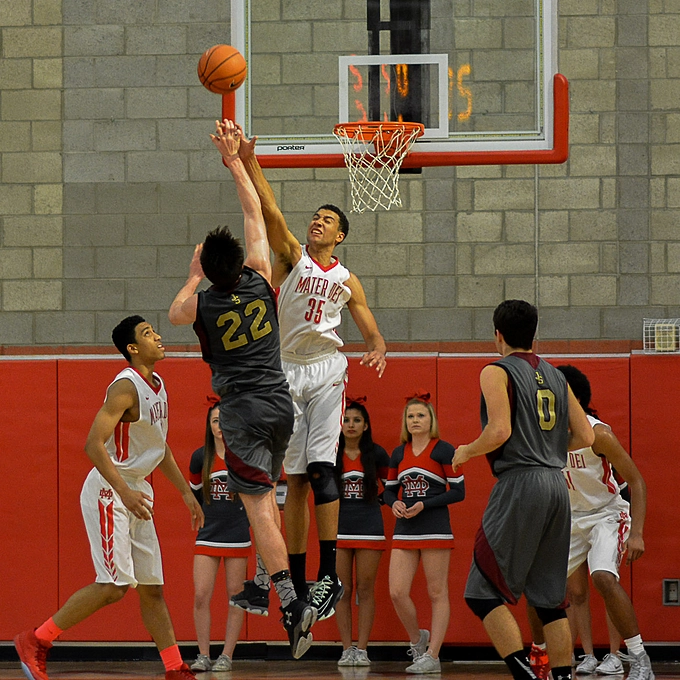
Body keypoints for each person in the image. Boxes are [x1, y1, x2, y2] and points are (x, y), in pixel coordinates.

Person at [168, 119, 316, 659]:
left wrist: (192, 274)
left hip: (242, 412)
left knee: (256, 509)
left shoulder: (202, 304)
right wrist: (235, 162)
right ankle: (263, 582)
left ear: (209, 272)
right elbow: (254, 213)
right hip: (281, 403)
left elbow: (174, 312)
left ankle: (291, 601)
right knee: (266, 500)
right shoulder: (258, 274)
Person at [231, 124, 387, 621]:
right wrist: (249, 161)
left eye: (326, 220)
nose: (317, 223)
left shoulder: (346, 278)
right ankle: (297, 586)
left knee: (322, 470)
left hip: (326, 371)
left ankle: (329, 576)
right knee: (294, 481)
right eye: (315, 217)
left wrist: (377, 345)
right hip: (286, 370)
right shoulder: (292, 257)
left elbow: (368, 324)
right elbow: (271, 211)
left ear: (340, 235)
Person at [14, 315, 204, 680]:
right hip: (110, 489)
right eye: (147, 334)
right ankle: (36, 640)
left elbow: (159, 447)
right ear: (133, 348)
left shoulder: (158, 384)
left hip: (137, 491)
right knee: (114, 586)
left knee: (151, 588)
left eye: (154, 330)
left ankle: (174, 668)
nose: (158, 336)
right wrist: (124, 492)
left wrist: (185, 491)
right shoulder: (125, 387)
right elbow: (92, 444)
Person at [452, 299, 594, 680]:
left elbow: (499, 430)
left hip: (521, 483)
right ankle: (561, 677)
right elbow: (587, 435)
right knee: (550, 601)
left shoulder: (495, 370)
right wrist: (550, 449)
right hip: (557, 485)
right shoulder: (557, 376)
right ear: (534, 334)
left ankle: (525, 675)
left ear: (497, 335)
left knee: (480, 592)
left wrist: (467, 450)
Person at [557, 365, 652, 680]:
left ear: (575, 399)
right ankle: (555, 658)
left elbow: (637, 482)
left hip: (605, 514)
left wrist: (637, 533)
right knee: (551, 589)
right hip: (570, 517)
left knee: (603, 577)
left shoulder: (599, 434)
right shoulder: (544, 435)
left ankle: (638, 658)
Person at [384, 393, 466, 674]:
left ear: (431, 420)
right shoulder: (399, 453)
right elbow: (389, 490)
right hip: (405, 528)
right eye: (410, 416)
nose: (415, 420)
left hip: (435, 528)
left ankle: (433, 655)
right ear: (405, 422)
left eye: (421, 415)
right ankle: (418, 639)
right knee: (397, 592)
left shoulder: (443, 450)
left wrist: (425, 504)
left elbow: (458, 491)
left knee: (437, 591)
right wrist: (393, 503)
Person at [188, 398, 250, 672]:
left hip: (238, 533)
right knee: (201, 595)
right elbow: (194, 494)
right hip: (209, 533)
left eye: (225, 420)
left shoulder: (243, 456)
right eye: (215, 420)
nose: (220, 425)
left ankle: (226, 655)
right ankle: (203, 655)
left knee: (236, 596)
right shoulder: (200, 457)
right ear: (209, 426)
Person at [334, 397, 390, 667]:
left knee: (365, 589)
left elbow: (392, 488)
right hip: (339, 529)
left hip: (369, 528)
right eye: (346, 420)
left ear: (366, 425)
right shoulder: (331, 453)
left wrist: (381, 501)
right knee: (342, 590)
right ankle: (347, 649)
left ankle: (363, 649)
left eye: (357, 420)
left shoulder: (376, 454)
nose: (351, 424)